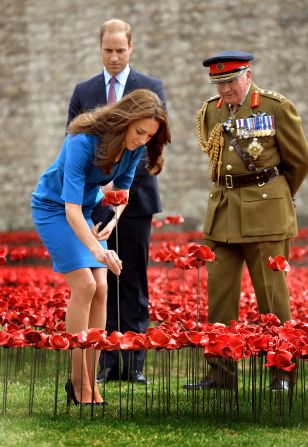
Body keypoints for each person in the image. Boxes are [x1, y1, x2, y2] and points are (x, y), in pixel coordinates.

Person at [31, 89, 171, 404]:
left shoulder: (135, 148)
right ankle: (78, 381)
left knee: (102, 288)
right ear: (125, 119)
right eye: (139, 132)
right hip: (55, 209)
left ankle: (89, 383)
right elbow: (69, 210)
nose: (142, 140)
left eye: (149, 135)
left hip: (90, 209)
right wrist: (98, 250)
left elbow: (121, 193)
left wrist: (112, 221)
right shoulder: (83, 142)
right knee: (84, 284)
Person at [184, 50, 308, 392]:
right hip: (223, 214)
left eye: (230, 82)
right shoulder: (210, 111)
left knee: (273, 298)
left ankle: (281, 375)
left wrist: (277, 197)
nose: (225, 90)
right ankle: (221, 375)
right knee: (219, 297)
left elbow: (298, 162)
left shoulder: (275, 107)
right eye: (218, 83)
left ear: (248, 75)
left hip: (266, 214)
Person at [67, 19, 167, 385]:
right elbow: (73, 139)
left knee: (135, 277)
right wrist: (100, 195)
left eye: (120, 50)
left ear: (131, 48)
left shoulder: (151, 88)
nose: (113, 56)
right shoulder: (84, 90)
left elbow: (148, 145)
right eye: (107, 50)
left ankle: (135, 360)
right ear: (100, 48)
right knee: (100, 277)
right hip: (93, 205)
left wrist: (118, 188)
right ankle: (107, 359)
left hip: (136, 200)